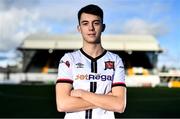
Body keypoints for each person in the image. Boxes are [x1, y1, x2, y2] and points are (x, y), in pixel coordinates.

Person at [56, 4, 127, 119]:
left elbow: (119, 105)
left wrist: (82, 94)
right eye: (85, 23)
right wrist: (107, 100)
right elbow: (62, 104)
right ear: (79, 28)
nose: (91, 28)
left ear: (103, 27)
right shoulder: (68, 59)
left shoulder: (115, 60)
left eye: (96, 23)